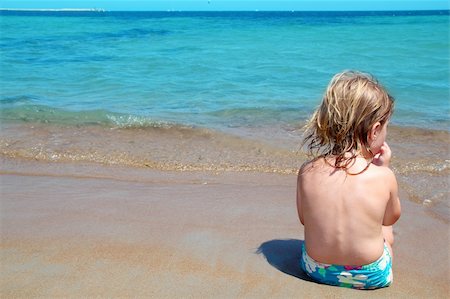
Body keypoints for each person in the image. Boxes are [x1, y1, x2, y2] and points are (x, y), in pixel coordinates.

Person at [297, 70, 401, 289]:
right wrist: (383, 168)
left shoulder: (306, 171)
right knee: (386, 233)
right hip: (371, 275)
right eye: (386, 127)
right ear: (374, 131)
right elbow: (390, 218)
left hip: (314, 268)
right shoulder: (384, 176)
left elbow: (305, 219)